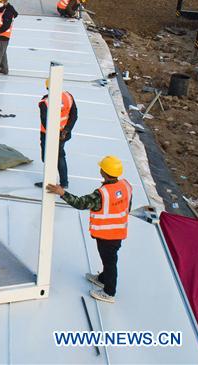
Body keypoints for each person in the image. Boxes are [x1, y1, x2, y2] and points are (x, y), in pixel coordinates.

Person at [46, 156, 131, 303]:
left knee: (110, 262)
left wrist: (62, 193)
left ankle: (109, 292)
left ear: (103, 172)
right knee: (108, 260)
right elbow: (127, 206)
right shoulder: (125, 186)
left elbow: (80, 203)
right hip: (118, 232)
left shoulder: (102, 194)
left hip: (107, 236)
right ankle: (103, 278)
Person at [34, 78, 78, 189]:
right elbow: (74, 115)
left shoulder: (45, 102)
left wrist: (54, 135)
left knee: (48, 157)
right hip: (63, 134)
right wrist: (66, 130)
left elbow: (45, 122)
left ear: (48, 88)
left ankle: (49, 182)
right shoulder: (68, 96)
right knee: (60, 156)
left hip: (48, 135)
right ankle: (64, 183)